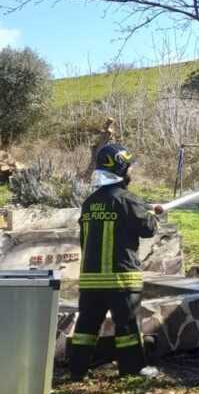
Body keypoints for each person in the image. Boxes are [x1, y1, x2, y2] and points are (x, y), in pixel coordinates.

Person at [68, 143, 164, 380]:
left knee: (86, 328)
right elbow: (148, 228)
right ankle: (132, 370)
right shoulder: (127, 200)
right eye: (128, 167)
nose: (131, 171)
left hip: (91, 280)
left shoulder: (90, 203)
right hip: (122, 278)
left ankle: (77, 371)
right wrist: (155, 215)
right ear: (121, 169)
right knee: (127, 328)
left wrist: (145, 208)